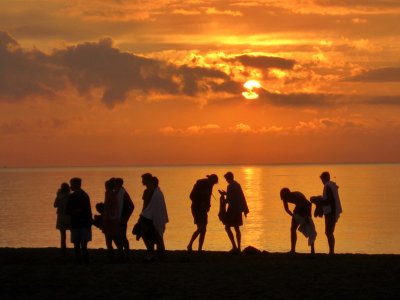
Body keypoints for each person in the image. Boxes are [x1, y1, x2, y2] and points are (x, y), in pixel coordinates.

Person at [311, 171, 343, 255]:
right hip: (330, 211)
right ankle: (331, 251)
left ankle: (331, 251)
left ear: (324, 178)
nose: (322, 181)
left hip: (330, 212)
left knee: (329, 232)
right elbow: (329, 198)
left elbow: (329, 200)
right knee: (329, 232)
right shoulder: (331, 185)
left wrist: (320, 201)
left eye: (322, 179)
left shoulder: (327, 186)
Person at [139, 175, 169, 261]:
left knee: (151, 235)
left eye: (143, 180)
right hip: (150, 216)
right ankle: (157, 255)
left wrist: (143, 215)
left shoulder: (154, 192)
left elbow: (146, 205)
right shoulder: (156, 192)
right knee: (153, 236)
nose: (142, 181)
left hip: (150, 217)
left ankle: (154, 254)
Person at [219, 172, 249, 253]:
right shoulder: (237, 184)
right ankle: (238, 247)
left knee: (227, 227)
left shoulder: (230, 186)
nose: (226, 180)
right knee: (237, 228)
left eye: (226, 179)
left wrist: (222, 197)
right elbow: (241, 196)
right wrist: (245, 209)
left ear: (228, 178)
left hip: (232, 209)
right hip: (238, 209)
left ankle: (234, 246)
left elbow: (228, 200)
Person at [187, 174, 218, 252]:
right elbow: (191, 196)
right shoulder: (199, 184)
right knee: (201, 228)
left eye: (214, 183)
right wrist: (200, 202)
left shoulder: (210, 186)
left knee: (203, 230)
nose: (213, 185)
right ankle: (190, 244)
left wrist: (208, 206)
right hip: (196, 208)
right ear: (210, 180)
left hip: (204, 210)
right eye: (213, 183)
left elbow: (208, 198)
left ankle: (199, 249)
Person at [280, 187, 316, 254]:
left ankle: (312, 250)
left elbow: (308, 205)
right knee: (293, 229)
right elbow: (286, 209)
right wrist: (293, 215)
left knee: (310, 229)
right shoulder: (285, 197)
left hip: (306, 206)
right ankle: (293, 249)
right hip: (298, 208)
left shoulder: (296, 196)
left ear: (288, 194)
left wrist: (307, 217)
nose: (284, 200)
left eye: (285, 198)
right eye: (283, 198)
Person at [66, 177, 92, 264]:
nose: (70, 186)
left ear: (77, 185)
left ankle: (84, 262)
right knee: (77, 245)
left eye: (72, 184)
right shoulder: (73, 196)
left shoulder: (84, 196)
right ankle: (80, 262)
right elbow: (67, 210)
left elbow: (87, 211)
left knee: (82, 246)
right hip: (76, 224)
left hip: (83, 224)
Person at [102, 178, 124, 261]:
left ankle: (112, 256)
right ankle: (119, 255)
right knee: (115, 239)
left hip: (109, 220)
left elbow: (108, 208)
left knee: (109, 240)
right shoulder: (114, 194)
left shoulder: (109, 194)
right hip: (114, 219)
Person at [115, 178, 134, 258]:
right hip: (116, 218)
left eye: (116, 183)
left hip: (122, 219)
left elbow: (132, 206)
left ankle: (127, 254)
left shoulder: (124, 193)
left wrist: (126, 218)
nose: (115, 185)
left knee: (122, 236)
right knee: (117, 236)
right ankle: (121, 252)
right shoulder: (115, 193)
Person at [53, 182, 71, 256]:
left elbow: (55, 205)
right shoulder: (70, 196)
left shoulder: (59, 196)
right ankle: (76, 247)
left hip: (61, 216)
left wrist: (57, 195)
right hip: (69, 216)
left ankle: (63, 250)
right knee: (73, 232)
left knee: (63, 235)